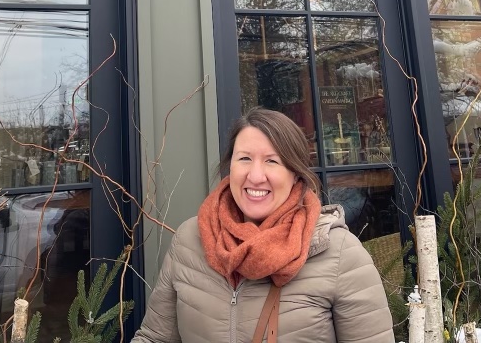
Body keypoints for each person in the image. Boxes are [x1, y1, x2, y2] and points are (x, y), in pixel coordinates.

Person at [132, 107, 395, 343]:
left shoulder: (339, 254)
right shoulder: (190, 239)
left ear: (295, 175)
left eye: (272, 161)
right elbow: (155, 338)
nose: (255, 176)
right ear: (230, 167)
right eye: (244, 158)